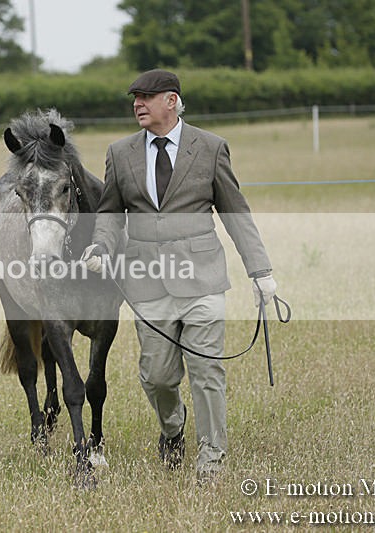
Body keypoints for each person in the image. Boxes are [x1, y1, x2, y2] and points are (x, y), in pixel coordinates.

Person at [82, 69, 277, 483]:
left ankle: (212, 457)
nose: (137, 104)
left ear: (171, 101)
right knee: (156, 377)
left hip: (202, 279)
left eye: (146, 97)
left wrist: (260, 271)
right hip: (147, 282)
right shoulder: (120, 153)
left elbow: (235, 212)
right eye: (135, 98)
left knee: (207, 371)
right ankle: (173, 428)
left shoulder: (210, 148)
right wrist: (100, 246)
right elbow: (110, 214)